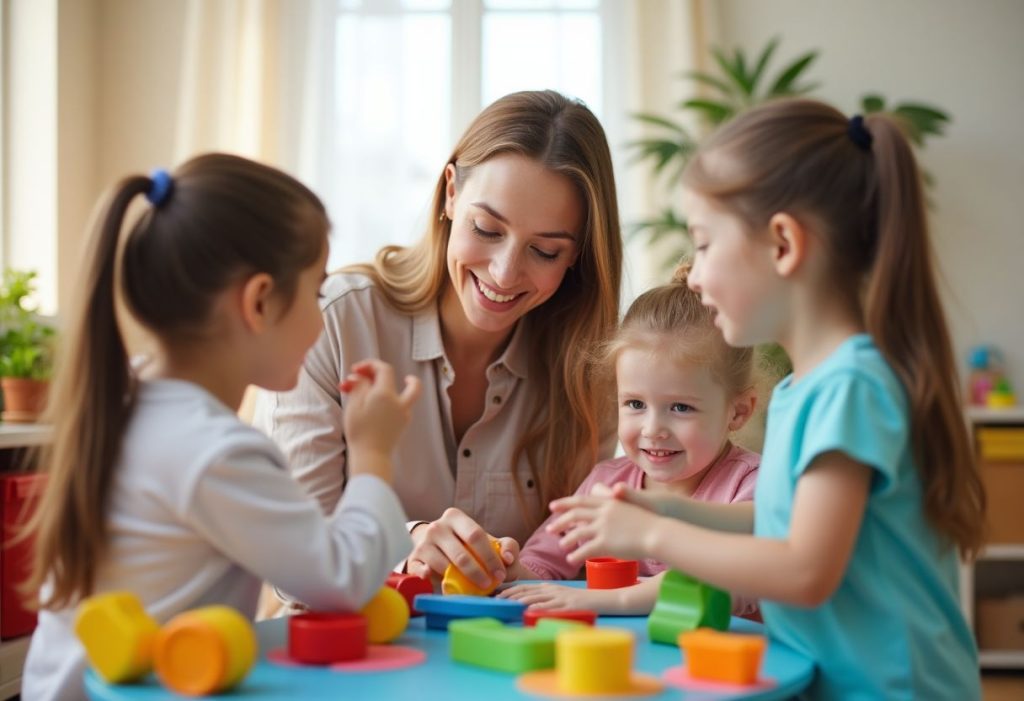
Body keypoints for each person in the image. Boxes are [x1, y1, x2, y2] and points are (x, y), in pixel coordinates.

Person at [545, 99, 986, 699]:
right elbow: (778, 521)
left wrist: (652, 540)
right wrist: (667, 510)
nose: (694, 276)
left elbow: (804, 571)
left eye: (704, 244)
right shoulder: (810, 386)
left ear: (782, 244)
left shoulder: (850, 388)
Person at [22, 154, 421, 701]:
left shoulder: (127, 405)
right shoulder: (216, 452)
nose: (321, 315)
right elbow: (342, 582)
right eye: (317, 292)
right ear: (259, 302)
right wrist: (374, 453)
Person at [254, 90, 623, 592]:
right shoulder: (336, 322)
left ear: (578, 254)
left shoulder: (589, 368)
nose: (504, 272)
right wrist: (405, 545)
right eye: (487, 228)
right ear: (451, 192)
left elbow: (585, 572)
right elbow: (289, 562)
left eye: (544, 250)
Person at [499, 265, 760, 617]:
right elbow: (548, 557)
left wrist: (600, 601)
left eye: (681, 407)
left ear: (738, 411)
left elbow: (718, 577)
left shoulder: (749, 487)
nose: (653, 429)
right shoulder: (607, 483)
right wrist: (511, 571)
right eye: (635, 404)